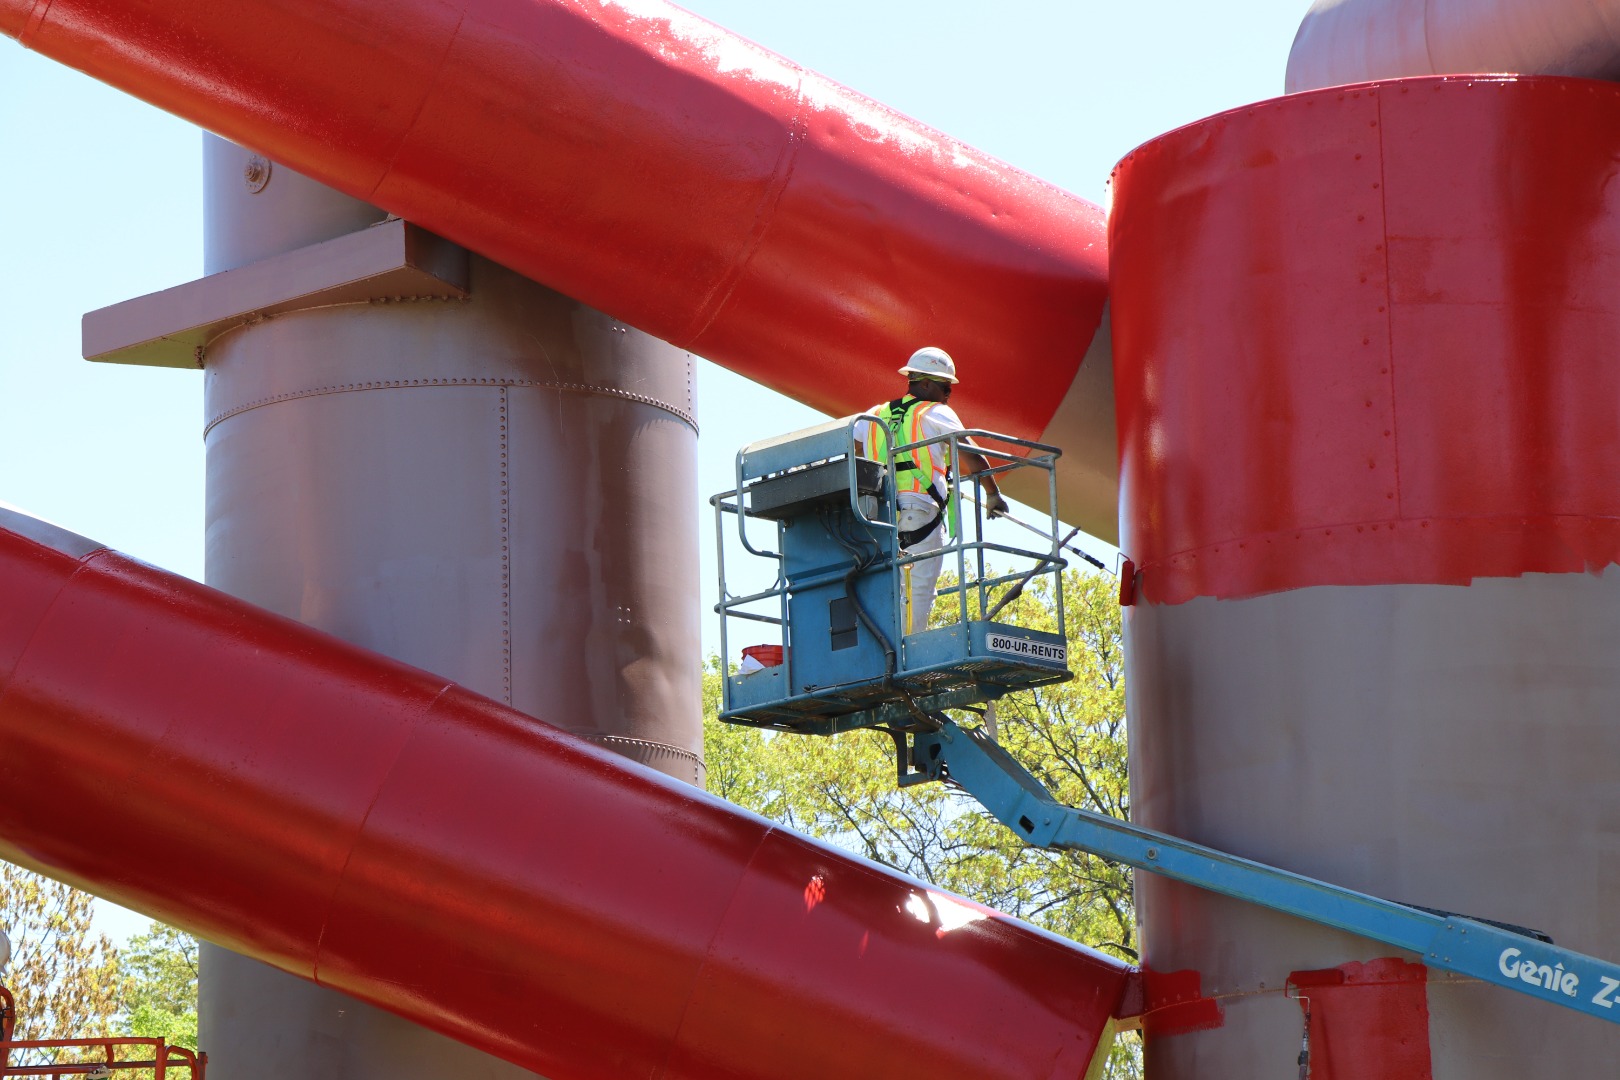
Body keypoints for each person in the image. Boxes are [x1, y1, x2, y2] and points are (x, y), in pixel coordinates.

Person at [854, 346, 1008, 634]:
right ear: (925, 384)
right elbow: (972, 456)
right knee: (918, 589)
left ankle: (885, 652)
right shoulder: (937, 412)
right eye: (945, 387)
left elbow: (853, 451)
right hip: (917, 511)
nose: (949, 395)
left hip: (876, 514)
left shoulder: (874, 414)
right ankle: (908, 656)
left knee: (886, 586)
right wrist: (992, 493)